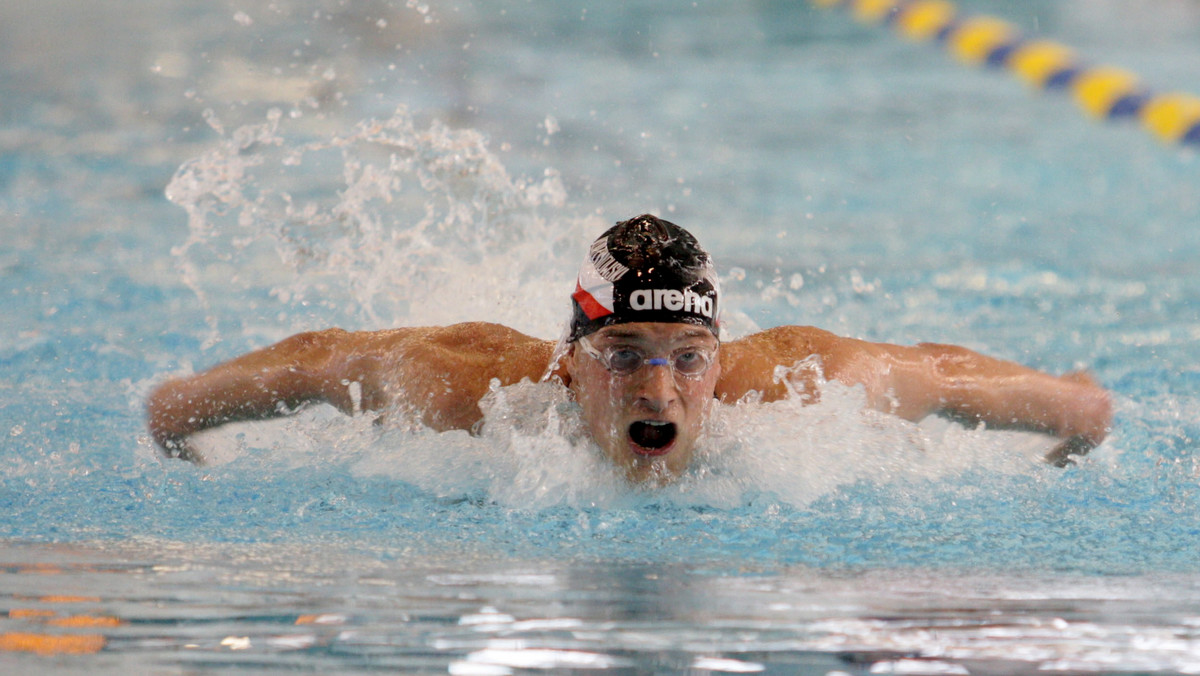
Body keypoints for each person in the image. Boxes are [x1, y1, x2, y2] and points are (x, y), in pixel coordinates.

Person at [147, 214, 1112, 482]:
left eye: (687, 355)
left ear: (719, 356)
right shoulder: (467, 393)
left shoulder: (793, 389)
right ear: (570, 363)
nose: (659, 387)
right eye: (625, 353)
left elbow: (941, 374)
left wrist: (1072, 417)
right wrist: (180, 416)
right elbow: (325, 361)